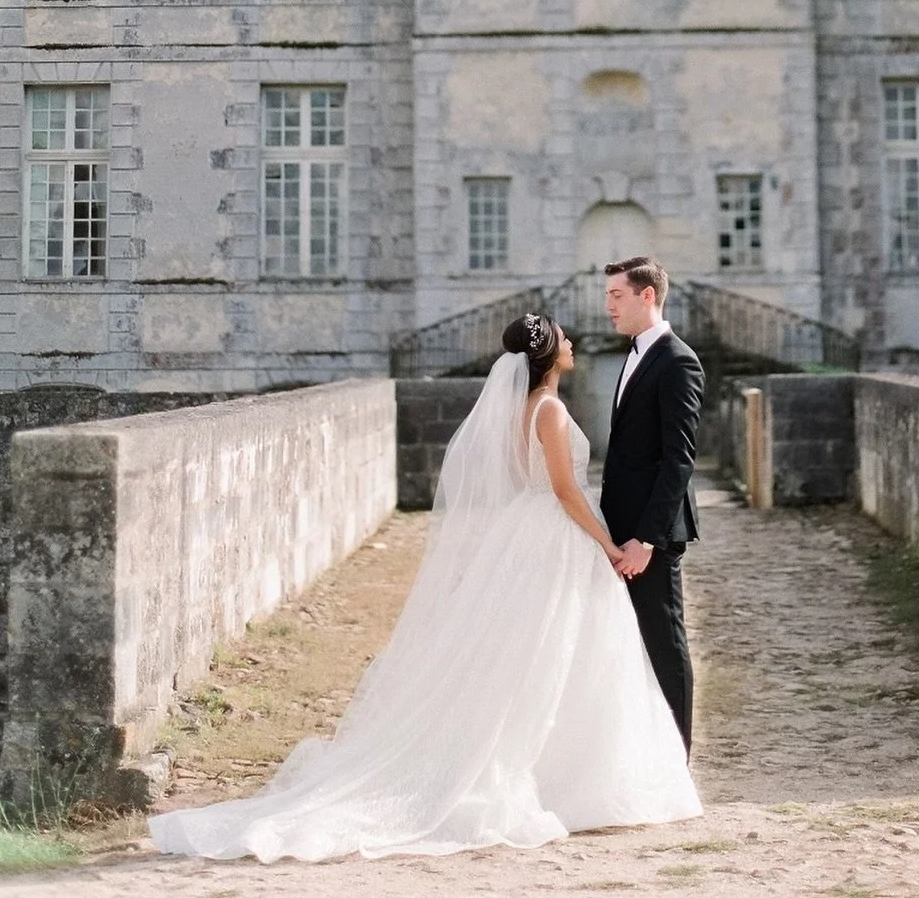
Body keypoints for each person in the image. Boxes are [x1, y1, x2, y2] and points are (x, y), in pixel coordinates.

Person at [147, 311, 700, 863]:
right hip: (555, 536)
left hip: (526, 535)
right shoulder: (550, 410)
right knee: (558, 652)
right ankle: (569, 778)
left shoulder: (521, 408)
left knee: (544, 654)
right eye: (564, 340)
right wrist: (606, 544)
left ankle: (563, 772)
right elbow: (561, 489)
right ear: (549, 355)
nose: (574, 342)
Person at [600, 256, 705, 754]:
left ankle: (677, 761)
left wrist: (645, 539)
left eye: (616, 296)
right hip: (621, 531)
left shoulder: (678, 360)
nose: (607, 307)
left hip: (651, 537)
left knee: (665, 644)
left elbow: (678, 462)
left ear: (647, 296)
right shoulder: (637, 352)